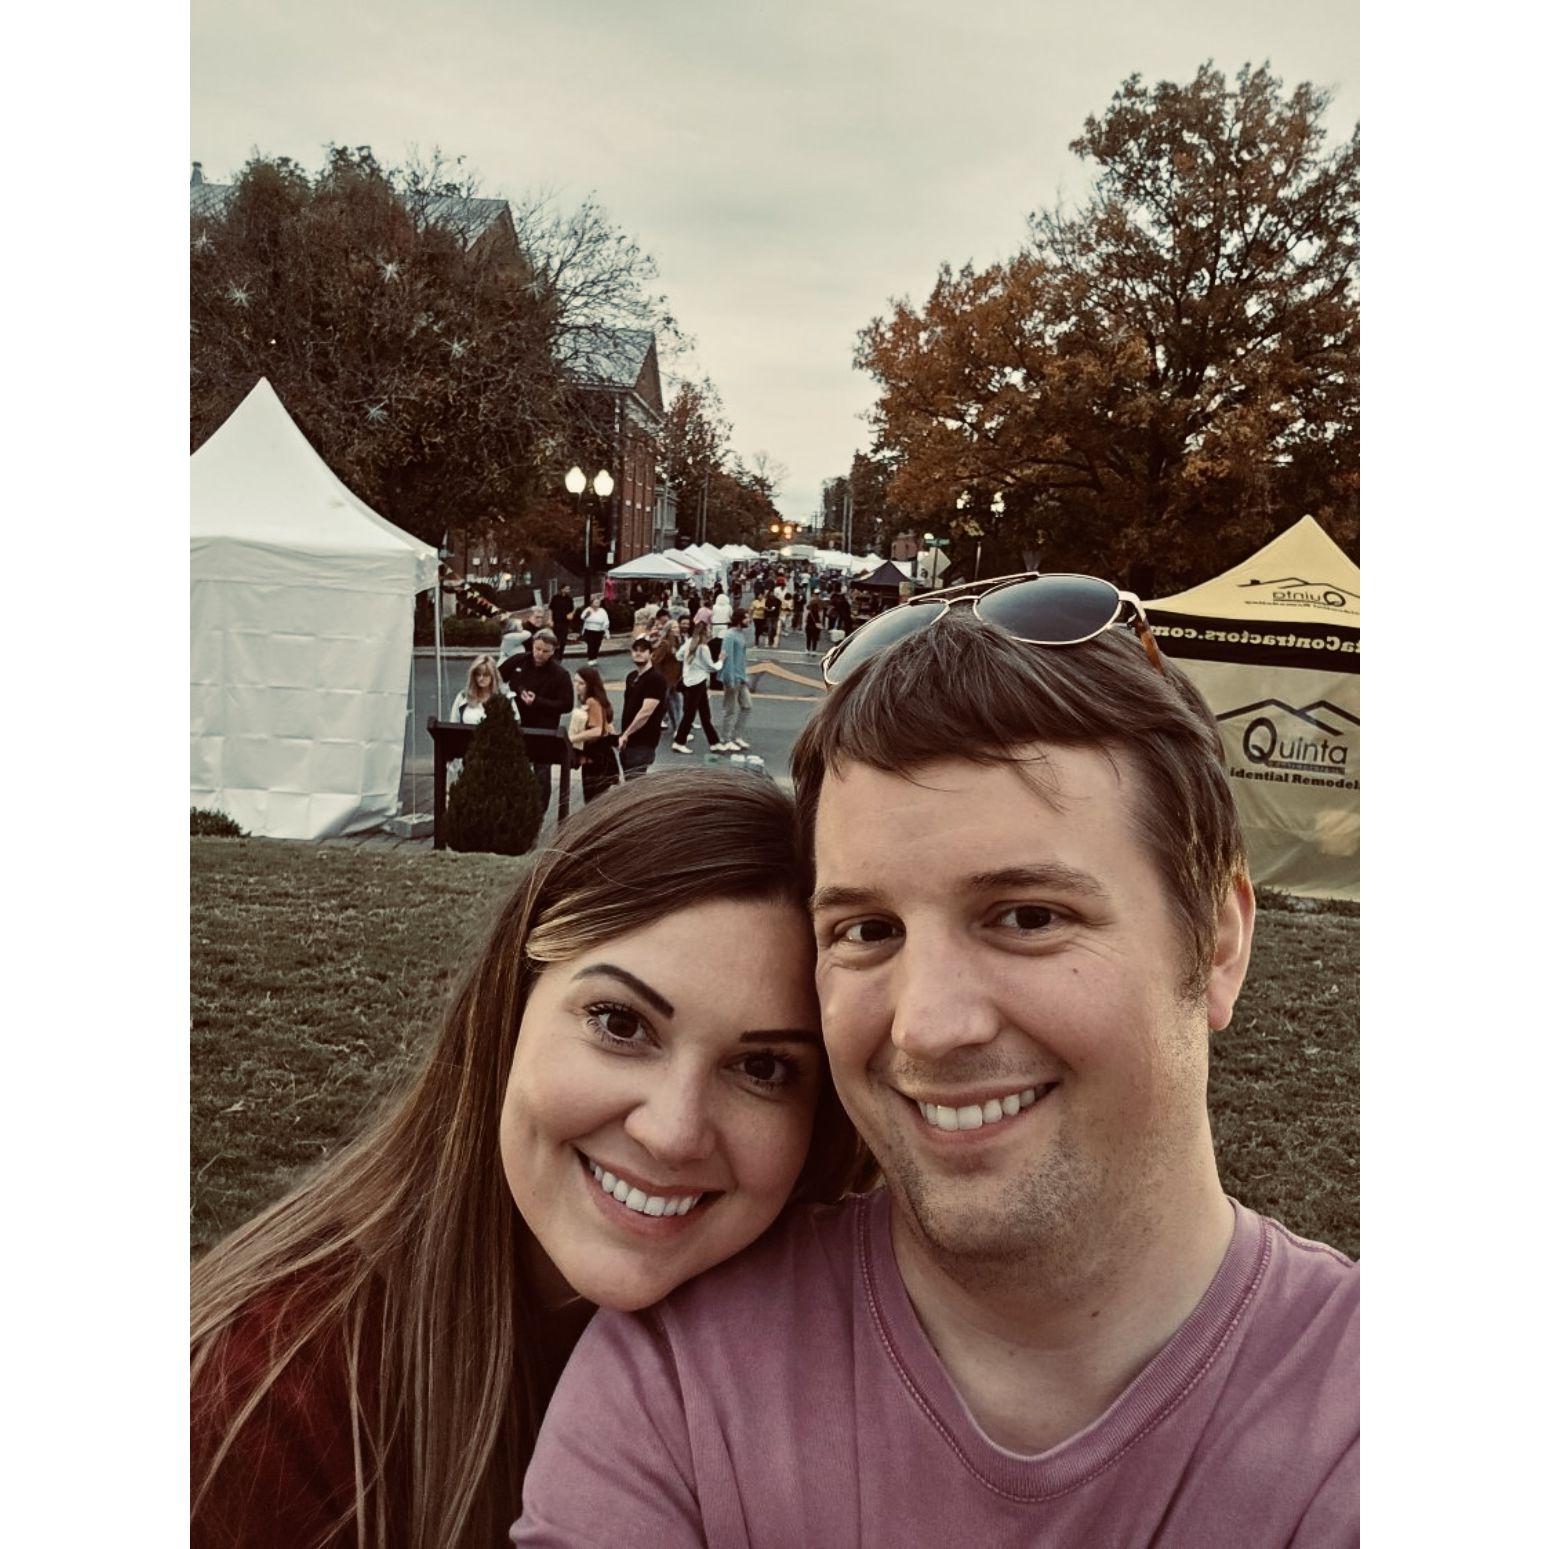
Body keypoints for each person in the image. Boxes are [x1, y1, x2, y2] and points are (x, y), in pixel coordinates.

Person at [517, 588, 1359, 1546]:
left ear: (1216, 942)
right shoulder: (682, 1374)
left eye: (1028, 916)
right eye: (868, 930)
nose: (925, 1026)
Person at [192, 772, 871, 1549]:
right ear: (507, 1004)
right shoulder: (258, 1405)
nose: (672, 1132)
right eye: (621, 1023)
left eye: (762, 1068)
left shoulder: (846, 1366)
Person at [501, 629, 573, 811]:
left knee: (542, 770)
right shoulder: (519, 660)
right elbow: (497, 675)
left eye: (545, 651)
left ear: (553, 651)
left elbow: (567, 704)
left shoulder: (560, 674)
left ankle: (539, 810)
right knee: (515, 766)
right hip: (517, 723)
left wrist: (538, 702)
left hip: (544, 728)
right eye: (537, 649)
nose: (540, 654)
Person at [672, 622, 732, 754]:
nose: (710, 633)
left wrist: (690, 664)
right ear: (705, 632)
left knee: (704, 713)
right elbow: (712, 667)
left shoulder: (689, 642)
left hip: (688, 681)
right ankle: (679, 742)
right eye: (709, 630)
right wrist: (721, 660)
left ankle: (714, 742)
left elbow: (678, 656)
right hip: (698, 682)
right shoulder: (703, 648)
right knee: (691, 714)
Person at [617, 637, 670, 780]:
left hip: (643, 741)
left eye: (642, 650)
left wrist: (626, 734)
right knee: (629, 780)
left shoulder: (655, 679)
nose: (638, 653)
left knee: (635, 781)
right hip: (628, 741)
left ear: (651, 654)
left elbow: (646, 712)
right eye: (635, 650)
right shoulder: (631, 677)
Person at [570, 666, 621, 805]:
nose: (577, 686)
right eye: (575, 681)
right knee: (601, 800)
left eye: (581, 683)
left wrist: (572, 739)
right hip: (602, 756)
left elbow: (597, 731)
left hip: (596, 758)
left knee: (594, 801)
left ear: (590, 685)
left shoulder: (592, 701)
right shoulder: (595, 700)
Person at [717, 607, 753, 751]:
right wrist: (729, 679)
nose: (749, 620)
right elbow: (728, 658)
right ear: (739, 620)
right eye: (746, 618)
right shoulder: (730, 636)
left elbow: (741, 658)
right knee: (730, 710)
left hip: (741, 678)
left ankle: (736, 736)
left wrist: (744, 675)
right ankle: (725, 739)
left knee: (747, 706)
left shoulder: (740, 634)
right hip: (732, 678)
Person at [449, 654, 502, 725]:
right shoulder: (463, 697)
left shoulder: (504, 699)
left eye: (486, 675)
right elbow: (453, 724)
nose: (481, 678)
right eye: (478, 674)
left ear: (493, 676)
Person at [579, 597, 610, 661]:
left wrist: (605, 626)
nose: (597, 604)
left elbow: (606, 620)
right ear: (592, 603)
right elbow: (582, 617)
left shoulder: (602, 611)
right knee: (591, 645)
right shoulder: (588, 609)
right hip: (589, 630)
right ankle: (590, 658)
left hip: (599, 630)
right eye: (595, 602)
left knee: (597, 645)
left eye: (598, 602)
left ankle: (594, 657)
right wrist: (587, 615)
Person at [550, 586, 574, 659]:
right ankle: (554, 654)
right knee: (555, 639)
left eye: (569, 589)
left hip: (565, 622)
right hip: (556, 621)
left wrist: (571, 615)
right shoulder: (555, 598)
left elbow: (572, 610)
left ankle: (560, 655)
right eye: (566, 589)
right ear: (562, 589)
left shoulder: (569, 599)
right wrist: (550, 620)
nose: (568, 590)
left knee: (563, 640)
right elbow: (551, 609)